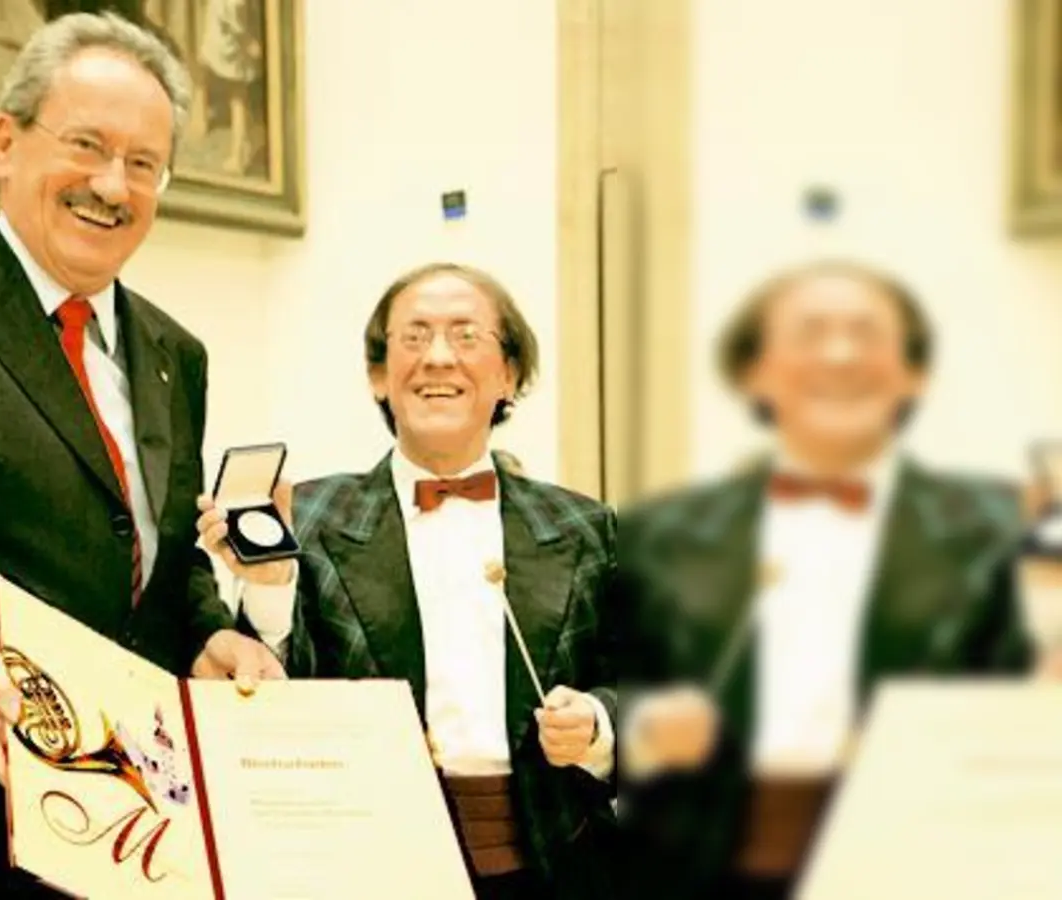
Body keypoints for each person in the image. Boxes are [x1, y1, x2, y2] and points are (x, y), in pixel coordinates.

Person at [0, 12, 280, 895]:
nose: (113, 184)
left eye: (143, 164)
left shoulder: (175, 355)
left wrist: (212, 635)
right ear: (5, 142)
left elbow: (161, 562)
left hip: (135, 836)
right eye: (87, 146)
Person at [613, 261, 1034, 900]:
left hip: (928, 874)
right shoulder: (659, 534)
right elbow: (604, 699)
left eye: (866, 334)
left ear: (914, 375)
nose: (840, 354)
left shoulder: (1004, 528)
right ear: (754, 374)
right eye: (811, 333)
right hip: (705, 872)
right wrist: (644, 732)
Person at [202, 262, 623, 900]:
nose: (438, 357)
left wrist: (597, 724)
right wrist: (268, 584)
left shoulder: (584, 525)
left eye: (466, 336)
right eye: (414, 337)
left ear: (508, 375)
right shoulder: (311, 517)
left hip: (557, 869)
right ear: (379, 376)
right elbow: (262, 705)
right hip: (365, 871)